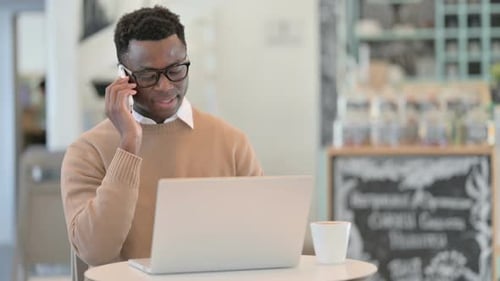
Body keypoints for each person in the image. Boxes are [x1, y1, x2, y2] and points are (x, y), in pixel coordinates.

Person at [61, 5, 263, 267]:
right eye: (148, 75)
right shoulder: (87, 151)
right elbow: (95, 252)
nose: (165, 86)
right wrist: (128, 144)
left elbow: (261, 237)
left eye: (176, 69)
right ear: (124, 76)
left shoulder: (232, 142)